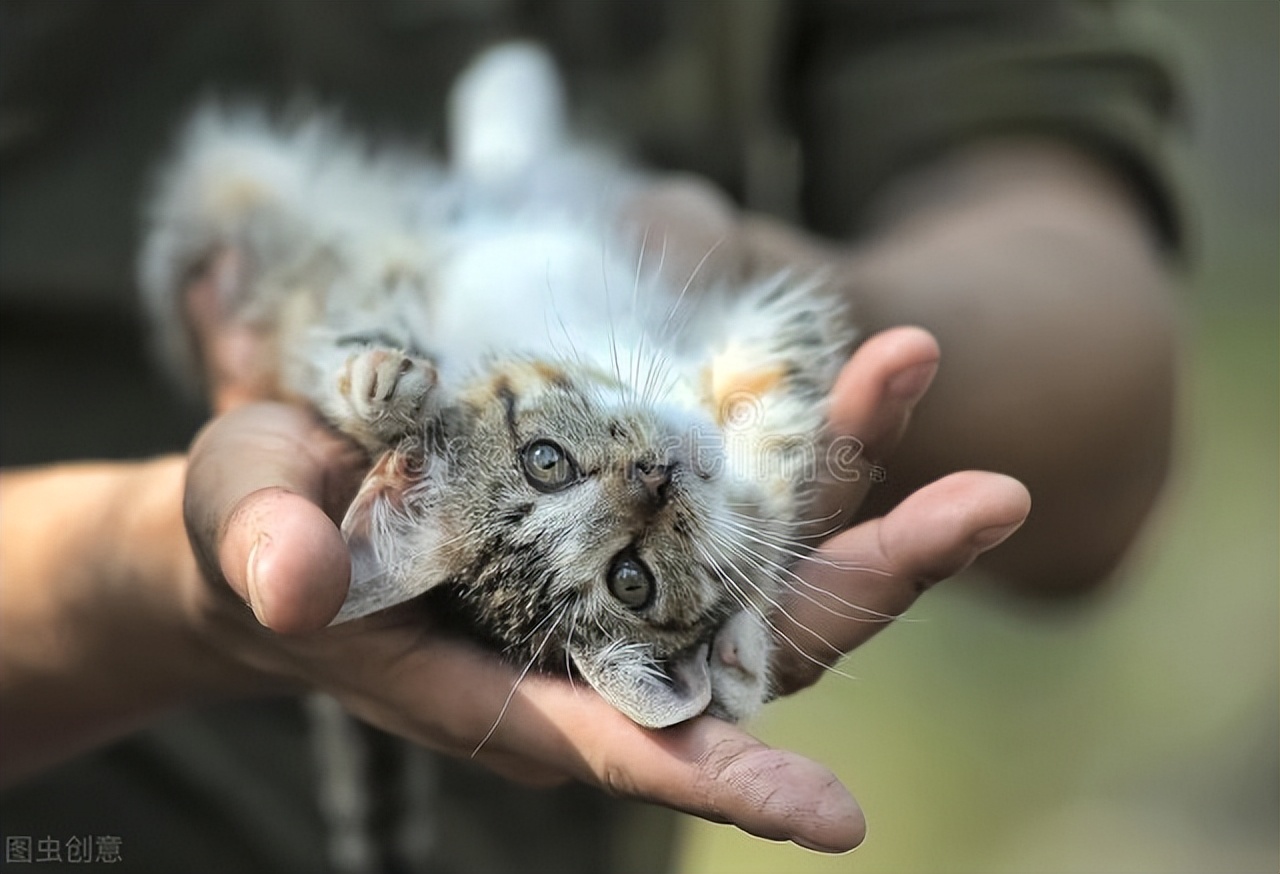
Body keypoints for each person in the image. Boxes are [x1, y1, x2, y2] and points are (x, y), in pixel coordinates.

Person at [0, 1, 1180, 871]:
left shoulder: (454, 415)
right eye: (633, 570)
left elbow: (1108, 422)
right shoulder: (714, 453)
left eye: (555, 469)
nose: (647, 484)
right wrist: (128, 578)